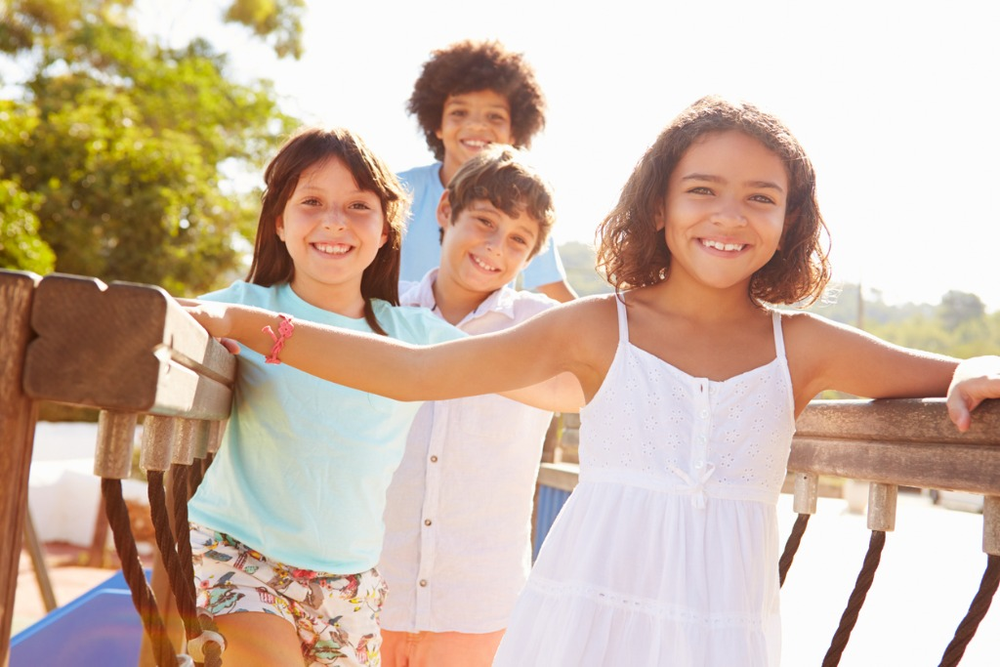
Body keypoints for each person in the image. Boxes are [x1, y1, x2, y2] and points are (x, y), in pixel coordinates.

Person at [182, 97, 1000, 666]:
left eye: (762, 198)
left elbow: (948, 371)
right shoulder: (595, 324)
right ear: (657, 207)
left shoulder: (805, 344)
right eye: (702, 190)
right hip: (581, 614)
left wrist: (977, 365)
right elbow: (415, 369)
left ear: (789, 222)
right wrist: (251, 325)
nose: (730, 215)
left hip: (722, 631)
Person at [184, 126, 465, 667]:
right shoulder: (238, 308)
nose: (335, 220)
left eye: (359, 205)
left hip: (351, 581)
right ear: (280, 223)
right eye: (311, 202)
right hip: (236, 554)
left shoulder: (413, 334)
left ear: (386, 230)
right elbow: (154, 331)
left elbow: (534, 377)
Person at [379, 145, 561, 667]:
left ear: (530, 257)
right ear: (445, 213)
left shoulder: (542, 327)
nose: (494, 247)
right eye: (484, 222)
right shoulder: (383, 312)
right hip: (369, 592)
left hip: (481, 608)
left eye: (518, 240)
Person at [398, 39, 577, 303]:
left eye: (495, 117)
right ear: (437, 123)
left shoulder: (523, 208)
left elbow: (560, 296)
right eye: (459, 112)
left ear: (515, 130)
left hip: (480, 342)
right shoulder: (397, 191)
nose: (477, 126)